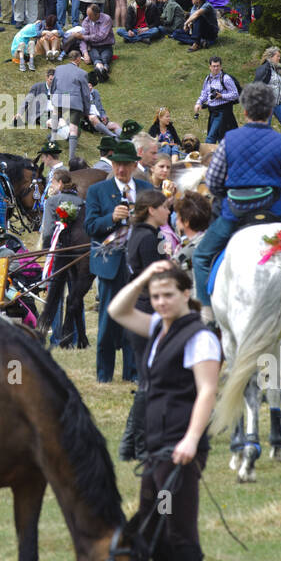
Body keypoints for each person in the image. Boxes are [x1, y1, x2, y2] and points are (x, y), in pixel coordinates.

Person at [109, 261, 220, 561]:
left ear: (186, 294)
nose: (160, 302)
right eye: (155, 297)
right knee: (151, 532)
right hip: (156, 449)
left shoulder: (199, 337)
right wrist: (144, 278)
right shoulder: (159, 328)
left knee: (180, 534)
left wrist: (191, 439)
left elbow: (207, 390)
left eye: (167, 295)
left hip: (180, 449)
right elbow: (116, 310)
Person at [193, 82, 281, 313]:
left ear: (244, 111)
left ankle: (207, 311)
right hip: (275, 213)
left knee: (201, 257)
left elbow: (214, 181)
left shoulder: (229, 140)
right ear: (270, 112)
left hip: (234, 213)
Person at [84, 138, 152, 383]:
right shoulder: (97, 191)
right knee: (108, 319)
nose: (120, 169)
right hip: (110, 262)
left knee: (134, 318)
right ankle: (104, 374)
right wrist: (111, 218)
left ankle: (133, 373)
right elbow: (90, 226)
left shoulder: (146, 190)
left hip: (138, 264)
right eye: (116, 164)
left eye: (125, 164)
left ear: (134, 165)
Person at [118, 187, 173, 461]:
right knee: (149, 381)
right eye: (164, 207)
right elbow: (156, 281)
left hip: (141, 309)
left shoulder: (144, 234)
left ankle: (130, 446)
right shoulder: (148, 239)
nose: (168, 210)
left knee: (148, 380)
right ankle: (139, 446)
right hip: (146, 311)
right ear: (151, 210)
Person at [50, 57, 93, 165]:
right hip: (74, 101)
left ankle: (51, 144)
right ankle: (71, 159)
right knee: (73, 129)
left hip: (59, 98)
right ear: (78, 60)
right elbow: (86, 94)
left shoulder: (59, 68)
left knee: (55, 118)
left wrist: (53, 96)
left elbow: (53, 85)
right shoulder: (82, 73)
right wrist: (86, 110)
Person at [253, 46, 281, 142]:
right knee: (265, 127)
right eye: (277, 56)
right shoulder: (263, 69)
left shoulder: (276, 69)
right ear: (271, 57)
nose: (279, 58)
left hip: (279, 103)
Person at [193, 57, 239, 142]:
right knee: (220, 137)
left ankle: (207, 154)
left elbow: (235, 94)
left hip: (223, 111)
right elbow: (204, 93)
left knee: (211, 137)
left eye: (218, 66)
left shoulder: (226, 78)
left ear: (221, 66)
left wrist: (222, 96)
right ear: (210, 67)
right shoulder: (208, 79)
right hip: (212, 111)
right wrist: (198, 103)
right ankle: (219, 154)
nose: (216, 68)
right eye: (214, 66)